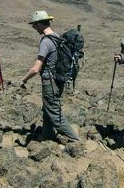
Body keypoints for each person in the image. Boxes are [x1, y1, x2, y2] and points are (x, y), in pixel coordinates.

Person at [20, 11, 80, 144]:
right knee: (48, 108)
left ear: (40, 24)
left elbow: (36, 69)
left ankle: (77, 141)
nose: (34, 27)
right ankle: (47, 135)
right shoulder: (57, 37)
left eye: (34, 25)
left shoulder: (46, 41)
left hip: (50, 82)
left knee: (54, 112)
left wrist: (24, 80)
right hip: (58, 80)